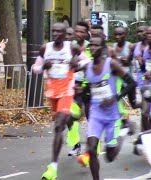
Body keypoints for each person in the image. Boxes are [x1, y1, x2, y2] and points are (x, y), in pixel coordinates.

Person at [78, 36, 136, 180]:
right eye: (91, 45)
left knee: (109, 157)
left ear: (103, 48)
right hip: (96, 114)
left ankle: (123, 132)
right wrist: (80, 90)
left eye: (96, 45)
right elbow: (87, 88)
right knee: (91, 149)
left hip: (111, 116)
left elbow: (131, 83)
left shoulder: (112, 64)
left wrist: (115, 97)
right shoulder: (87, 67)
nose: (93, 48)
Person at [32, 23, 79, 180]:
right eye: (53, 30)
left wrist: (77, 64)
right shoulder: (45, 48)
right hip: (52, 92)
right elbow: (35, 68)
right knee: (61, 121)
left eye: (59, 31)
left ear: (65, 34)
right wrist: (43, 66)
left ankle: (53, 167)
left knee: (58, 126)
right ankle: (72, 117)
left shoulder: (71, 47)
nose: (55, 33)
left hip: (67, 90)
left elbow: (84, 61)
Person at [67, 21, 92, 157]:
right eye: (77, 31)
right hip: (73, 85)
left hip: (88, 86)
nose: (78, 34)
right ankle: (76, 144)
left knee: (90, 117)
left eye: (82, 32)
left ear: (87, 32)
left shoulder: (91, 47)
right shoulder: (70, 47)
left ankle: (91, 147)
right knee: (69, 116)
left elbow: (94, 66)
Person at [129, 26, 149, 132]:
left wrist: (142, 62)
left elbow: (145, 66)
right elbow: (127, 60)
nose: (139, 34)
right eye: (137, 31)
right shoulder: (134, 46)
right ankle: (143, 133)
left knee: (147, 111)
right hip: (141, 81)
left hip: (149, 81)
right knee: (144, 111)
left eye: (141, 31)